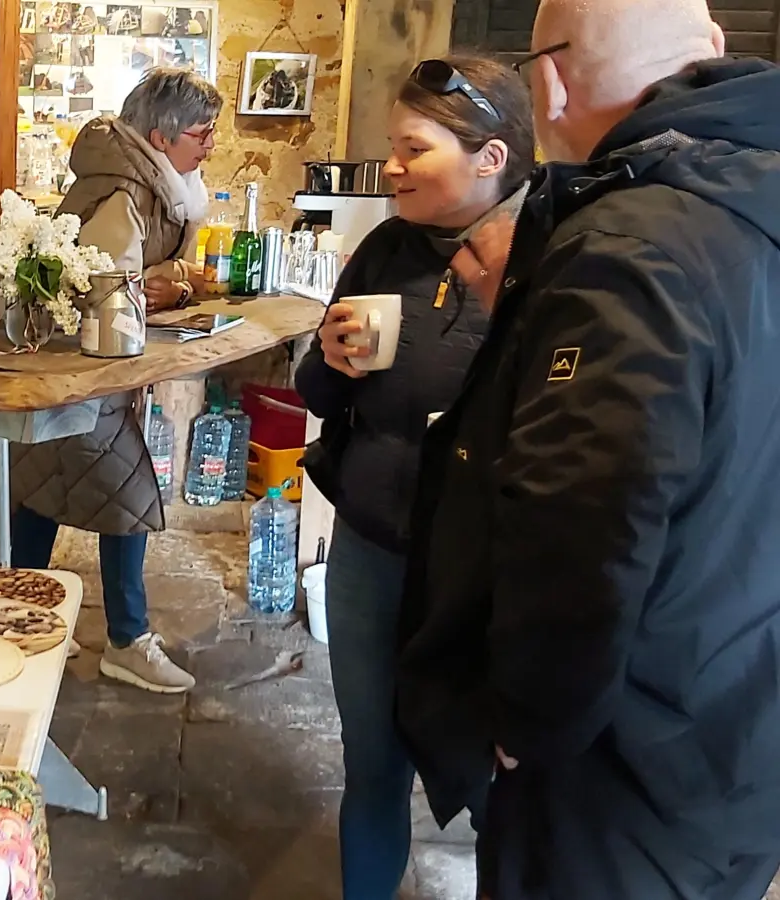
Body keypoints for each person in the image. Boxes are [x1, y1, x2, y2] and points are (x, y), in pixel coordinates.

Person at [395, 0, 780, 895]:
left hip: (624, 768)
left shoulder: (632, 242)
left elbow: (581, 518)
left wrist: (523, 714)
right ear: (713, 49)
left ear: (551, 81)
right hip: (736, 723)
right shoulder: (752, 194)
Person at [295, 55, 533, 900]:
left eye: (413, 148)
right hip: (373, 549)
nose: (390, 166)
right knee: (372, 763)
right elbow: (317, 395)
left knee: (503, 780)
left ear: (490, 158)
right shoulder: (387, 247)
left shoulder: (549, 260)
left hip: (486, 573)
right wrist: (327, 363)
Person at [10, 67, 219, 694]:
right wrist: (170, 288)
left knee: (42, 486)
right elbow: (107, 294)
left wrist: (168, 287)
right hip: (81, 369)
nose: (210, 145)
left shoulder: (148, 181)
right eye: (202, 134)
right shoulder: (123, 193)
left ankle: (31, 620)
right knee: (126, 497)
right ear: (162, 136)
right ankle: (125, 641)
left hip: (92, 368)